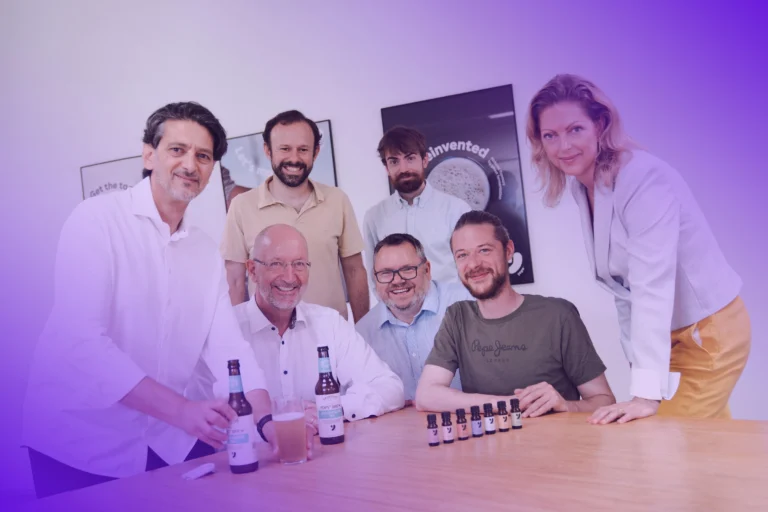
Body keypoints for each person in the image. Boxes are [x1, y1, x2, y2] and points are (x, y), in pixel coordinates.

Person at [21, 102, 311, 499]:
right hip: (78, 440)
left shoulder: (204, 251)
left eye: (203, 156)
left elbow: (230, 349)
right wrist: (181, 411)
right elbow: (82, 342)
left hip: (162, 440)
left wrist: (266, 422)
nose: (190, 164)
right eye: (177, 149)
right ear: (148, 155)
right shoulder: (95, 221)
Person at [525, 74, 751, 424]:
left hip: (707, 332)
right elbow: (623, 290)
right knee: (709, 445)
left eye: (575, 129)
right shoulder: (581, 188)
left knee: (663, 438)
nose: (563, 146)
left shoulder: (642, 177)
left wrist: (645, 395)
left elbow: (651, 284)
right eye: (550, 135)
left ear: (600, 124)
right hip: (668, 338)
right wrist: (639, 368)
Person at [415, 211, 615, 417]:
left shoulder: (558, 315)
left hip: (554, 437)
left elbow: (603, 400)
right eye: (462, 255)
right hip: (488, 438)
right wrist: (509, 404)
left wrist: (567, 406)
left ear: (508, 251)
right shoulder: (457, 317)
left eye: (484, 250)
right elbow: (426, 395)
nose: (473, 264)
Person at [233, 223, 405, 424]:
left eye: (299, 264)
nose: (289, 277)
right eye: (277, 264)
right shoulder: (229, 329)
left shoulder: (329, 324)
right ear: (252, 270)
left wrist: (329, 409)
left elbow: (389, 387)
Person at [220, 110, 369, 321]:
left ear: (316, 152)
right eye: (285, 149)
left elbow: (354, 271)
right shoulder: (241, 206)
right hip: (267, 334)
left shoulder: (337, 200)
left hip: (331, 331)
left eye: (303, 149)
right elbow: (234, 280)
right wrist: (234, 333)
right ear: (268, 150)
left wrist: (363, 330)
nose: (294, 158)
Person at [355, 233, 471, 404]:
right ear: (375, 278)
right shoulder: (361, 335)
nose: (397, 280)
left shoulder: (468, 305)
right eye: (386, 273)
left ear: (427, 270)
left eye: (407, 269)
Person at [362, 126, 471, 288]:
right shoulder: (374, 217)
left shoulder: (456, 210)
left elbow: (469, 267)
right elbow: (374, 275)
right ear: (386, 168)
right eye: (394, 161)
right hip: (398, 303)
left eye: (410, 158)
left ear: (425, 160)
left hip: (451, 303)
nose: (403, 169)